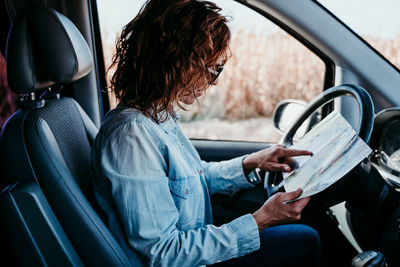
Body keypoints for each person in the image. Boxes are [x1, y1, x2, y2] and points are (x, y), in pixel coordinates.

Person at [90, 0, 397, 266]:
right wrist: (260, 220)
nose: (213, 81)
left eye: (217, 70)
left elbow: (192, 180)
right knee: (306, 239)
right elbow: (164, 253)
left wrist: (252, 162)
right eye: (211, 68)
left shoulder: (157, 116)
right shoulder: (131, 137)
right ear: (174, 60)